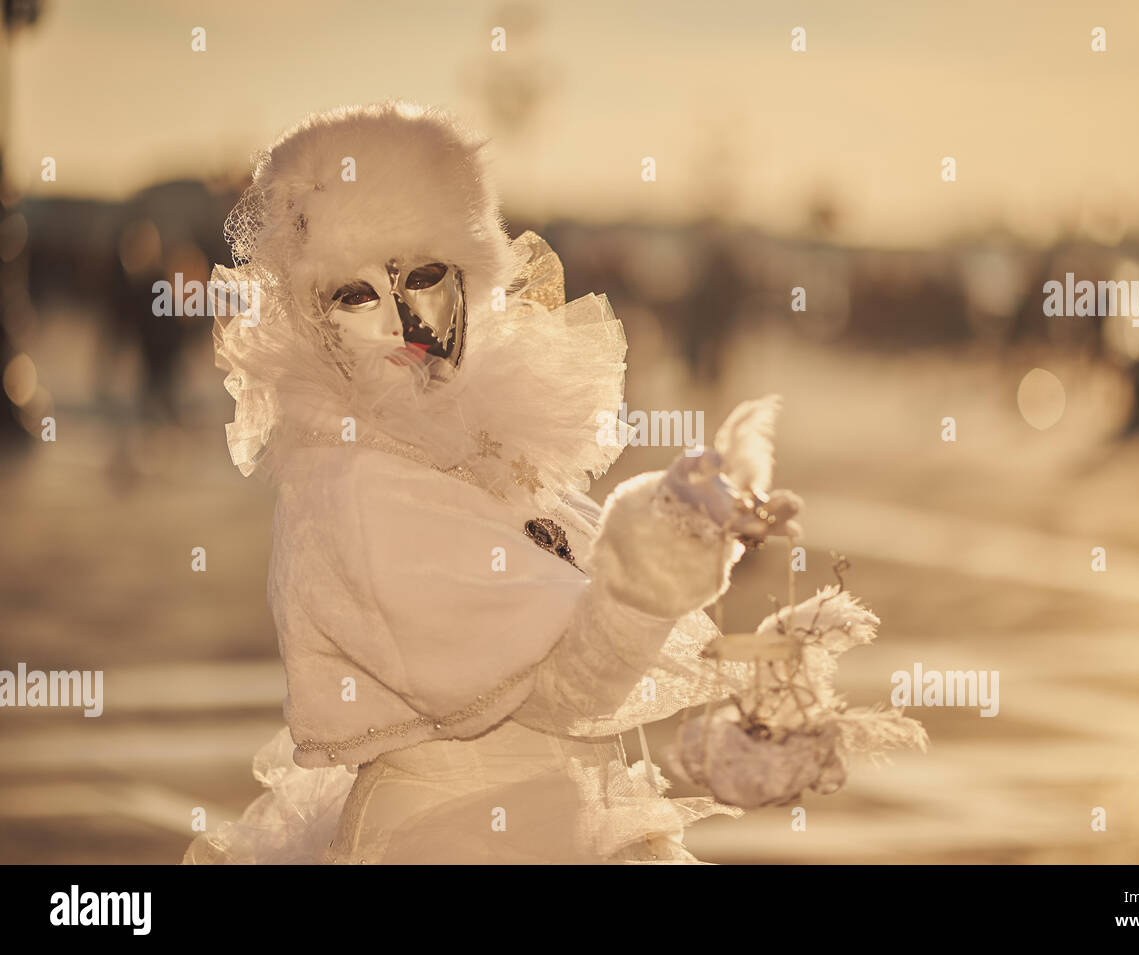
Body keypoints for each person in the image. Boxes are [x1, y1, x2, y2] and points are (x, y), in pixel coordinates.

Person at [183, 101, 801, 864]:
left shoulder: (462, 445)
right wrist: (659, 541)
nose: (403, 320)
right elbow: (568, 682)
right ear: (314, 317)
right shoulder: (361, 490)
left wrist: (733, 607)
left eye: (423, 276)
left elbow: (571, 605)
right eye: (355, 294)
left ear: (474, 279)